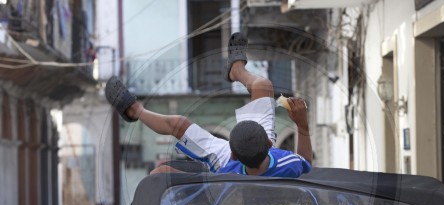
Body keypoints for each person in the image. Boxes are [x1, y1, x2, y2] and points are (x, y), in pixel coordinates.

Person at [105, 32, 312, 177]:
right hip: (255, 156)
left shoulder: (224, 174)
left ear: (232, 153)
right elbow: (306, 164)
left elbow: (200, 185)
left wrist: (164, 174)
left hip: (225, 166)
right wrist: (302, 127)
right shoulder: (285, 163)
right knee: (262, 85)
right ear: (269, 143)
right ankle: (236, 71)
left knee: (178, 124)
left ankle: (135, 111)